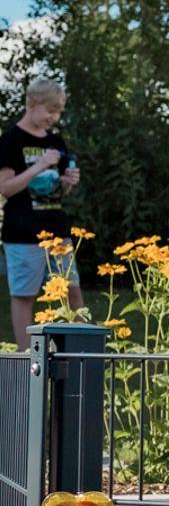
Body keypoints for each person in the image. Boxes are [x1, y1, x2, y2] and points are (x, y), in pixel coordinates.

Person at [1, 77, 82, 350]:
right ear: (32, 103)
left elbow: (58, 191)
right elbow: (5, 188)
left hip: (57, 231)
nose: (54, 118)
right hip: (23, 233)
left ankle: (81, 355)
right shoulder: (10, 140)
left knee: (72, 291)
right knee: (25, 296)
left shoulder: (55, 141)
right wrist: (39, 166)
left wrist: (67, 183)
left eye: (58, 112)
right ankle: (28, 360)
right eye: (51, 110)